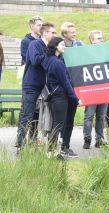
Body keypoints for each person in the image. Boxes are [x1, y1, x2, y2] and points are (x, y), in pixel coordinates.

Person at [17, 22, 55, 150]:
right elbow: (35, 60)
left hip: (42, 87)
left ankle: (32, 143)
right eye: (52, 32)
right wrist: (49, 54)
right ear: (45, 33)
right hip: (31, 86)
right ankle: (20, 145)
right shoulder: (35, 44)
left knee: (36, 117)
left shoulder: (49, 47)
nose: (54, 35)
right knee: (27, 115)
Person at [43, 36, 80, 159]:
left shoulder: (50, 60)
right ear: (55, 46)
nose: (64, 47)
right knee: (58, 124)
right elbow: (66, 83)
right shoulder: (57, 63)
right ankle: (51, 152)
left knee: (57, 123)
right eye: (62, 45)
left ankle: (52, 151)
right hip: (60, 96)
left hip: (55, 95)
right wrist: (75, 98)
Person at [82, 30, 108, 149]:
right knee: (89, 116)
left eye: (102, 38)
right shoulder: (86, 53)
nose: (101, 40)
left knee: (101, 116)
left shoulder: (106, 53)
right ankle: (87, 139)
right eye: (98, 38)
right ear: (92, 40)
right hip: (91, 90)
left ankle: (99, 139)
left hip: (104, 89)